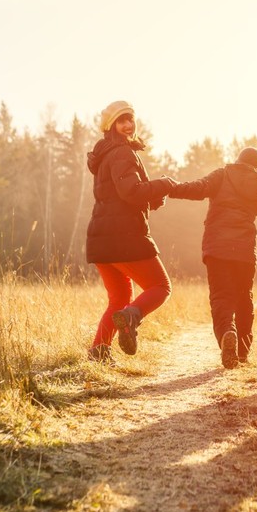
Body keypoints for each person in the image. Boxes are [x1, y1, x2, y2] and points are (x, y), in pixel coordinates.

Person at [168, 147, 257, 369]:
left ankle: (226, 333)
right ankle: (242, 351)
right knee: (243, 298)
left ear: (238, 160)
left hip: (217, 249)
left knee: (221, 297)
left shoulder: (222, 175)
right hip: (244, 252)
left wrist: (169, 187)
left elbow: (197, 189)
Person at [85, 100, 177, 362]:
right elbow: (130, 192)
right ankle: (130, 316)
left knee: (119, 298)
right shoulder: (121, 152)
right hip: (123, 237)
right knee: (160, 286)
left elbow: (123, 195)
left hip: (101, 239)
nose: (127, 125)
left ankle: (98, 352)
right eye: (121, 121)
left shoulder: (106, 155)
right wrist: (163, 184)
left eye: (130, 119)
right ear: (110, 126)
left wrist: (154, 196)